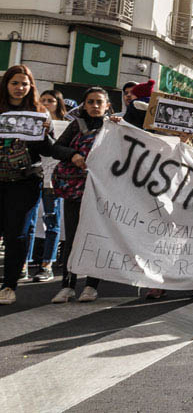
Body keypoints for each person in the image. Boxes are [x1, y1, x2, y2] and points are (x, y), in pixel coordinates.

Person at [49, 87, 111, 303]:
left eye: (99, 102)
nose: (95, 106)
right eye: (90, 102)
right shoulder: (76, 125)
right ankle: (67, 285)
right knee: (73, 238)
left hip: (101, 192)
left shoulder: (114, 129)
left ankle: (91, 286)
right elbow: (56, 149)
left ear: (107, 106)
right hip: (75, 190)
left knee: (97, 237)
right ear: (84, 105)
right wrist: (73, 155)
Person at [0, 65, 53, 305]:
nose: (20, 88)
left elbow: (47, 148)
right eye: (15, 83)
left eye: (25, 83)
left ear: (31, 86)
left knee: (16, 235)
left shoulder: (39, 113)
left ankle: (9, 285)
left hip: (24, 183)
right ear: (6, 85)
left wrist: (48, 133)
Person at [28, 89, 68, 282]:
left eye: (50, 100)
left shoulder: (67, 126)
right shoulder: (31, 122)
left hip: (53, 180)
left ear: (58, 103)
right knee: (29, 222)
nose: (46, 103)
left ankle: (47, 264)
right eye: (42, 100)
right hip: (34, 176)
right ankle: (24, 264)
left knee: (51, 221)